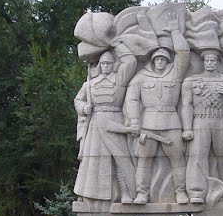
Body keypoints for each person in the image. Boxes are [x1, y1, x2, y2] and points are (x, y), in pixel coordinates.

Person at [124, 31, 191, 204]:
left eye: (163, 59)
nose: (160, 62)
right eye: (157, 59)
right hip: (148, 124)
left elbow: (183, 53)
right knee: (144, 160)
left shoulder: (175, 73)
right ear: (153, 61)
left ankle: (181, 192)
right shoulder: (141, 77)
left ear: (168, 61)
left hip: (171, 123)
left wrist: (175, 31)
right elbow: (131, 99)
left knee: (178, 159)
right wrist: (135, 121)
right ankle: (142, 193)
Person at [73, 51, 137, 204]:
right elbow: (78, 100)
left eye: (108, 63)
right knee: (93, 159)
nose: (106, 66)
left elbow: (130, 62)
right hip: (96, 123)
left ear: (113, 65)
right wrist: (83, 108)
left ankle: (125, 193)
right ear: (99, 66)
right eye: (103, 63)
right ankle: (90, 194)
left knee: (120, 158)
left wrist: (117, 44)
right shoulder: (89, 84)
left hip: (115, 120)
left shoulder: (119, 81)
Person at [180, 49, 223, 203]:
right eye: (207, 61)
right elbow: (186, 105)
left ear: (217, 63)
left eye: (213, 61)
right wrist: (187, 128)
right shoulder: (191, 81)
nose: (210, 63)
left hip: (221, 121)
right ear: (203, 62)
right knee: (197, 157)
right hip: (200, 121)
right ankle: (196, 192)